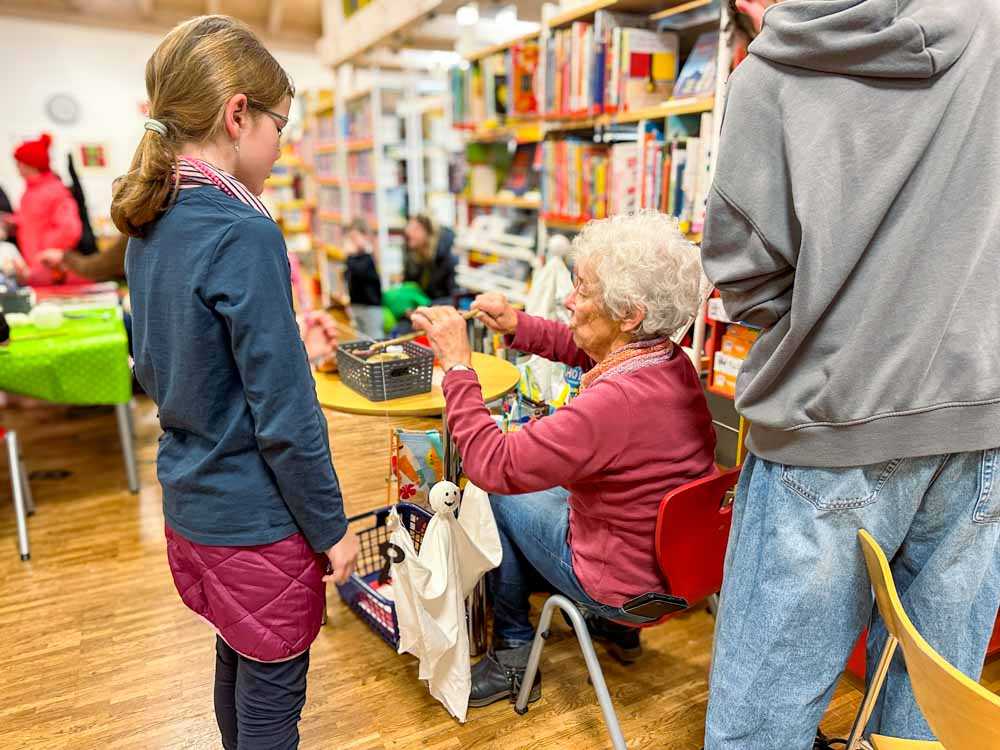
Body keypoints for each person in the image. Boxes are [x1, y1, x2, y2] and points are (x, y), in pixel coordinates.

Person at [700, 1, 1000, 748]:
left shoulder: (767, 76)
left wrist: (835, 311)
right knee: (931, 719)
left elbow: (745, 278)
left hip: (823, 427)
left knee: (761, 720)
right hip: (978, 424)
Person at [112, 16, 358, 749]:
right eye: (282, 125)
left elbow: (179, 361)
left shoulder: (152, 216)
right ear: (238, 113)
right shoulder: (242, 229)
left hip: (190, 503)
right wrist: (332, 528)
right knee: (275, 698)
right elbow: (285, 415)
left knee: (238, 655)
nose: (284, 147)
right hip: (257, 518)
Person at [413, 211, 717, 707]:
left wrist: (458, 369)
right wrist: (519, 326)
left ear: (630, 314)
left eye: (582, 289)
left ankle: (513, 655)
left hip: (618, 584)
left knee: (490, 492)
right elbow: (589, 353)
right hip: (671, 573)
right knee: (547, 491)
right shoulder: (667, 361)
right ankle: (617, 634)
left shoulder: (612, 404)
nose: (568, 300)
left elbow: (493, 463)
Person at [3, 134, 84, 286]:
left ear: (29, 164)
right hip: (34, 268)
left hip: (50, 268)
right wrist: (14, 223)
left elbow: (70, 228)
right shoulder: (30, 191)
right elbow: (35, 221)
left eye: (19, 162)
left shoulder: (55, 190)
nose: (17, 167)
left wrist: (43, 252)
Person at [342, 217, 383, 339]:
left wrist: (349, 256)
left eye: (355, 238)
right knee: (361, 340)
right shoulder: (355, 258)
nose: (352, 242)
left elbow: (359, 271)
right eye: (350, 238)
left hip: (370, 308)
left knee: (374, 340)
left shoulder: (368, 257)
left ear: (365, 236)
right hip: (356, 306)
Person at [403, 213, 456, 303]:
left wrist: (427, 306)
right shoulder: (413, 256)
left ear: (428, 232)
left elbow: (454, 297)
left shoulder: (448, 258)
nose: (409, 231)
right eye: (409, 227)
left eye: (416, 229)